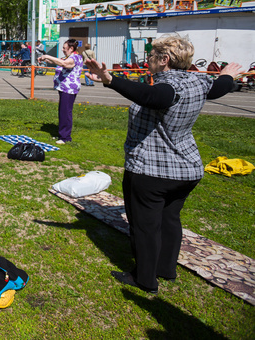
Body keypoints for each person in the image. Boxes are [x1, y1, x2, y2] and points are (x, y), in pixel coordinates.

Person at [85, 36, 241, 294]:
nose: (148, 59)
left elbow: (152, 96)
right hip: (187, 170)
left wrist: (111, 80)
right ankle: (166, 269)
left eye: (152, 55)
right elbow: (219, 87)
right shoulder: (198, 81)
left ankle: (145, 279)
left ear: (164, 60)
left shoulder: (167, 88)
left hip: (151, 172)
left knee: (145, 226)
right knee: (169, 219)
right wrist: (226, 75)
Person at [38, 39, 83, 144]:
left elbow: (65, 64)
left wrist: (48, 56)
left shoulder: (74, 58)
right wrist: (44, 59)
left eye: (64, 48)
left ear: (71, 48)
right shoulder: (68, 57)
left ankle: (65, 137)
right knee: (62, 111)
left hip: (69, 89)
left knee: (65, 112)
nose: (62, 50)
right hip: (64, 88)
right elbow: (58, 61)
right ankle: (61, 134)